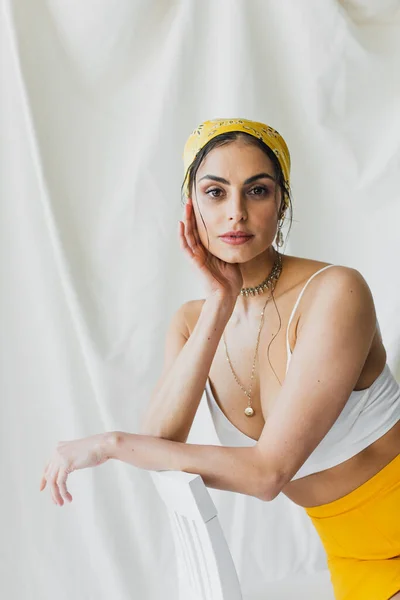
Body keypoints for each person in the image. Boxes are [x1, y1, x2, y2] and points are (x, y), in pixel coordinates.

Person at [40, 117, 400, 600]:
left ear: (282, 203)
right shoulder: (192, 322)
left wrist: (109, 442)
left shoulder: (336, 293)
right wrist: (219, 305)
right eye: (215, 193)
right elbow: (159, 447)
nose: (236, 213)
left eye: (257, 191)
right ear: (191, 208)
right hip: (354, 561)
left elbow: (268, 474)